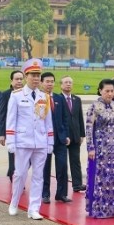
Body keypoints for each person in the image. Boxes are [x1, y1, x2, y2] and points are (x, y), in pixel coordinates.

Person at [7, 58, 54, 220]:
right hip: (23, 140)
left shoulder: (44, 96)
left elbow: (48, 121)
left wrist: (50, 141)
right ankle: (14, 202)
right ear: (26, 76)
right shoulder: (17, 95)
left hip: (40, 141)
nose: (35, 78)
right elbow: (11, 119)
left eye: (38, 75)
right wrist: (11, 140)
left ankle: (34, 208)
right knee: (20, 174)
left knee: (38, 176)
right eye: (32, 75)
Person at [85, 79, 114, 218]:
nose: (110, 94)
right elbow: (89, 128)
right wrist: (90, 147)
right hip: (100, 147)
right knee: (100, 177)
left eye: (112, 91)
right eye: (107, 91)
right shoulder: (95, 106)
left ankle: (112, 208)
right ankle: (98, 207)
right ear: (100, 90)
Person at [41, 72, 71, 203]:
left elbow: (65, 118)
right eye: (47, 81)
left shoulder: (59, 98)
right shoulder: (38, 98)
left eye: (52, 81)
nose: (49, 84)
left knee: (63, 166)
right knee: (45, 166)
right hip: (44, 138)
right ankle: (45, 193)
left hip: (59, 138)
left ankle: (61, 193)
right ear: (41, 83)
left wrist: (67, 134)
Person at [59, 75, 86, 192]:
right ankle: (63, 185)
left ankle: (77, 184)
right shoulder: (58, 99)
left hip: (75, 135)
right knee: (63, 163)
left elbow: (80, 117)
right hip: (63, 136)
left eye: (70, 82)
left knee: (75, 161)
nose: (68, 84)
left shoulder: (77, 99)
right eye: (66, 82)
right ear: (61, 85)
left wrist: (82, 134)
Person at [0, 70, 25, 182]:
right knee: (13, 156)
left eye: (21, 79)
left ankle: (13, 172)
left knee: (25, 159)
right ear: (11, 81)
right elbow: (2, 114)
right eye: (16, 79)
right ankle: (14, 178)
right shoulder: (6, 94)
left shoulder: (27, 92)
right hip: (12, 131)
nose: (19, 81)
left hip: (25, 131)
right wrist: (2, 134)